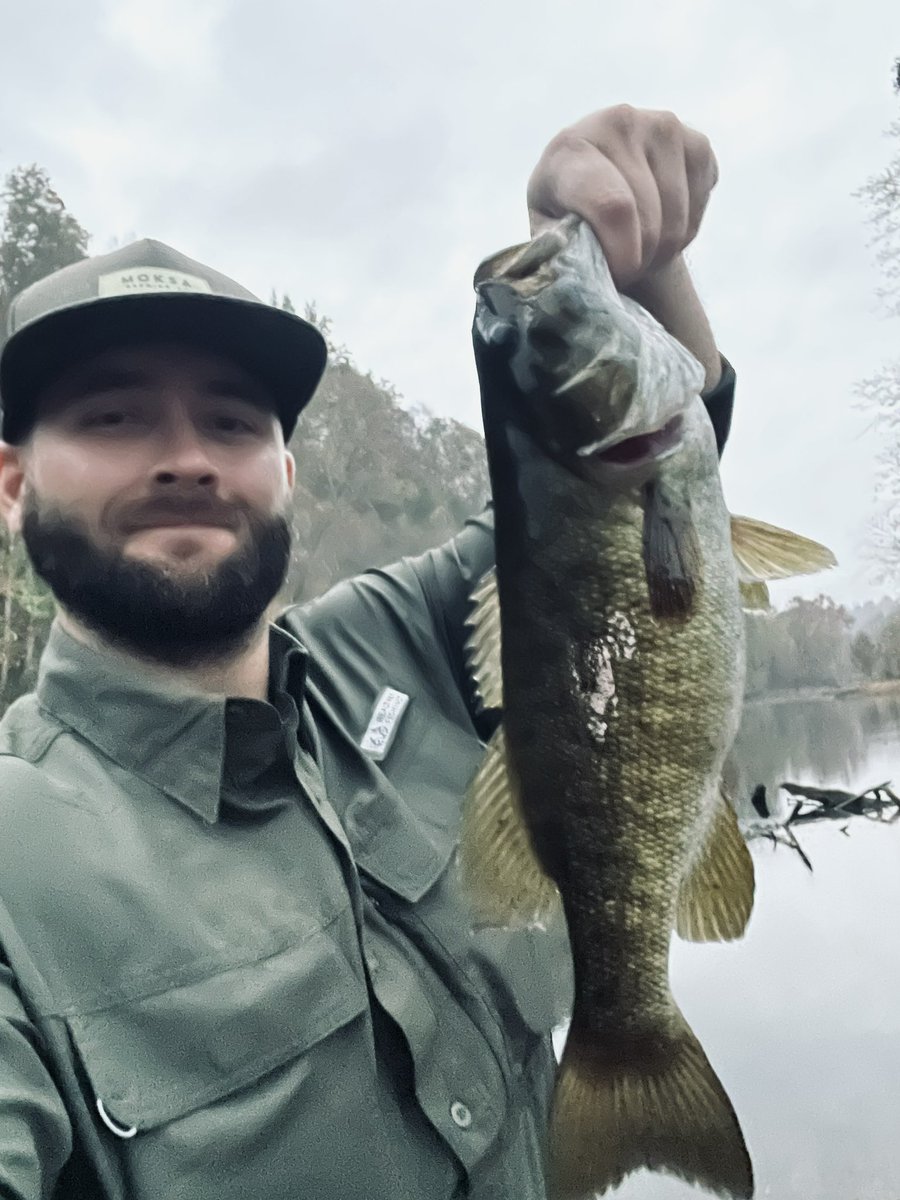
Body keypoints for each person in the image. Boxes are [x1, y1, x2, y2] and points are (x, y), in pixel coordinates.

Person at [0, 104, 735, 1199]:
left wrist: (634, 259)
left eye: (235, 422)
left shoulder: (402, 636)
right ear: (12, 485)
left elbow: (615, 521)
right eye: (114, 419)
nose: (189, 460)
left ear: (287, 472)